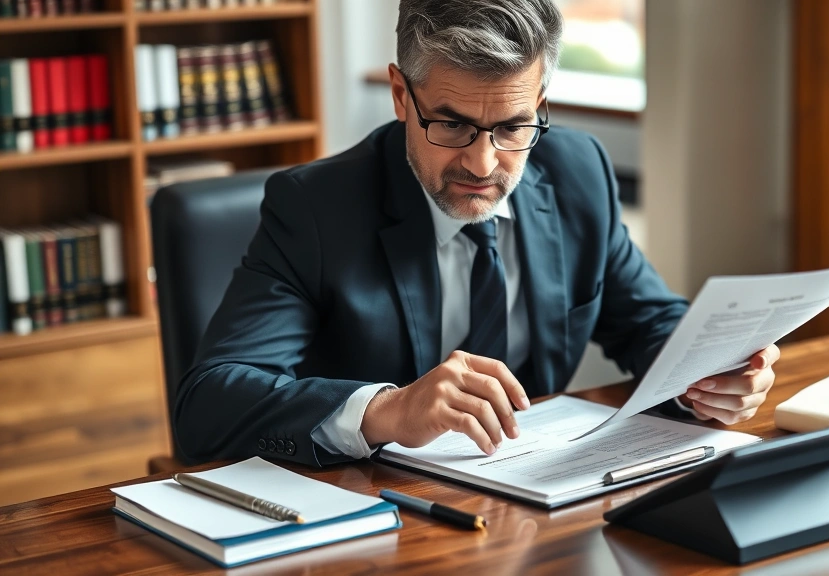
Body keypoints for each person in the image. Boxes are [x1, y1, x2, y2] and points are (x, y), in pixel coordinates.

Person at [174, 0, 779, 467]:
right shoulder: (315, 208)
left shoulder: (577, 173)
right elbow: (210, 402)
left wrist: (711, 375)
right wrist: (387, 410)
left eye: (514, 126)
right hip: (377, 519)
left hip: (536, 504)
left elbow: (647, 323)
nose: (484, 165)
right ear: (400, 96)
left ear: (540, 100)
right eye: (453, 125)